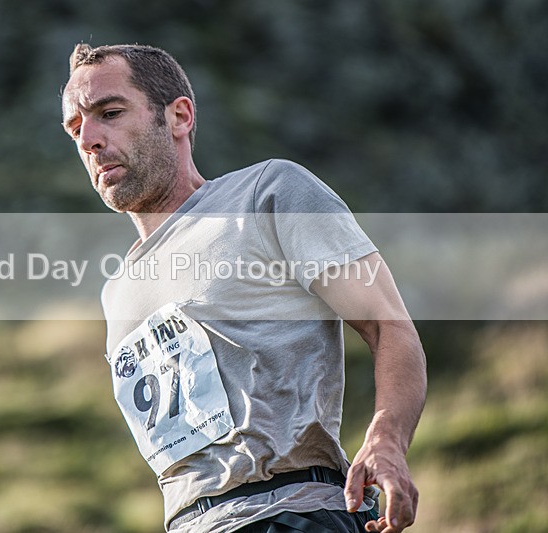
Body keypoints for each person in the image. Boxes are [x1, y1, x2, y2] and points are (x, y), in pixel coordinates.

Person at [61, 43, 427, 533]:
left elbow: (389, 326)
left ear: (179, 116)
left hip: (292, 513)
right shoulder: (117, 291)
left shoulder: (265, 193)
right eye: (74, 127)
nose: (89, 138)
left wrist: (387, 439)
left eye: (109, 112)